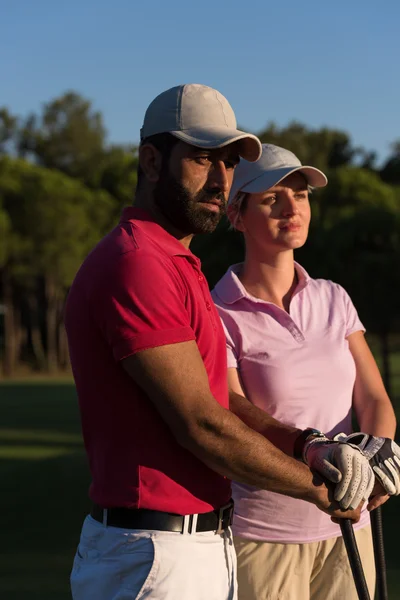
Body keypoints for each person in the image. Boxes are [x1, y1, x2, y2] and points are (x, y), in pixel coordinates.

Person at [65, 87, 373, 600]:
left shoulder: (176, 263)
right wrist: (321, 489)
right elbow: (201, 424)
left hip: (193, 545)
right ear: (151, 160)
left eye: (229, 163)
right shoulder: (137, 263)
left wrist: (308, 446)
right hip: (153, 552)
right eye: (203, 158)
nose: (220, 180)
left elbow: (221, 401)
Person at [212, 143, 400, 600]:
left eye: (301, 194)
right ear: (237, 215)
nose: (292, 207)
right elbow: (231, 411)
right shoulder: (217, 311)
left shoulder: (334, 297)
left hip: (348, 528)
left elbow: (373, 398)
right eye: (272, 196)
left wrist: (379, 454)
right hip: (263, 534)